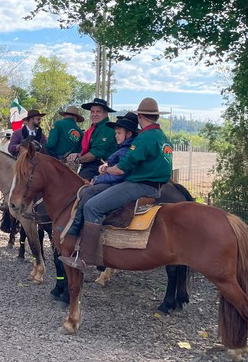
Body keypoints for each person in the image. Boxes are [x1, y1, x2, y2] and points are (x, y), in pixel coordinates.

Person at [60, 99, 172, 269]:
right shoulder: (163, 137)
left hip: (139, 185)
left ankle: (86, 258)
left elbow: (121, 169)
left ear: (140, 116)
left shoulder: (145, 137)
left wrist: (105, 169)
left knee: (92, 206)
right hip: (156, 186)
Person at [77, 97, 118, 180]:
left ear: (106, 114)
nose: (94, 114)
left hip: (101, 165)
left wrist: (77, 161)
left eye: (98, 111)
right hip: (91, 164)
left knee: (78, 182)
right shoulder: (94, 128)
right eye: (92, 112)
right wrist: (77, 155)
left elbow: (95, 154)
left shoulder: (107, 128)